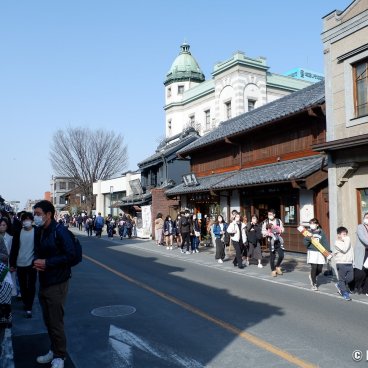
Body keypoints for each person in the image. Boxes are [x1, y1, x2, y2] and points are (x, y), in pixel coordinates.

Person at [33, 200, 75, 368]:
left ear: (48, 214)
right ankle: (54, 349)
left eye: (38, 214)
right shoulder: (40, 231)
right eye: (34, 214)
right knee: (48, 320)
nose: (35, 217)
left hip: (57, 282)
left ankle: (60, 355)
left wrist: (47, 263)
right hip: (43, 281)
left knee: (56, 321)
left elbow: (71, 256)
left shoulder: (60, 231)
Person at [9, 212, 37, 318]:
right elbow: (14, 249)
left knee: (31, 285)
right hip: (20, 263)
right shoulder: (18, 232)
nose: (26, 221)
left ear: (32, 220)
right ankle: (26, 302)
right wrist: (12, 263)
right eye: (24, 220)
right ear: (21, 221)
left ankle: (29, 306)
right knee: (23, 286)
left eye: (29, 219)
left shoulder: (36, 231)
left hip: (32, 264)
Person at [303, 218, 331, 291]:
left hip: (320, 252)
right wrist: (308, 238)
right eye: (310, 223)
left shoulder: (321, 232)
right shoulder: (307, 232)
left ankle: (312, 276)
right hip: (312, 252)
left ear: (317, 224)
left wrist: (329, 251)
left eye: (313, 223)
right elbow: (305, 244)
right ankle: (314, 284)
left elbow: (325, 242)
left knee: (319, 269)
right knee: (314, 267)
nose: (312, 225)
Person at [262, 209, 285, 277]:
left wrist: (281, 230)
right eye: (269, 214)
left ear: (274, 215)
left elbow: (282, 228)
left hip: (278, 240)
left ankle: (277, 266)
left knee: (281, 255)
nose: (270, 216)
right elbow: (263, 231)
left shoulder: (278, 221)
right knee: (272, 256)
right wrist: (267, 233)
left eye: (271, 214)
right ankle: (273, 270)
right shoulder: (266, 221)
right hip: (271, 241)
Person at [350, 212, 368, 296]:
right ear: (363, 218)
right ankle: (353, 285)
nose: (367, 219)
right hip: (361, 251)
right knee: (359, 271)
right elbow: (363, 238)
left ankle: (362, 288)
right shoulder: (360, 227)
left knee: (365, 271)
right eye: (366, 217)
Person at [334, 226, 353, 301]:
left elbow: (351, 252)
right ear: (338, 235)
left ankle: (340, 285)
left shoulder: (347, 241)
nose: (345, 236)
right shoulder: (337, 243)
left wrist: (352, 261)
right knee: (342, 279)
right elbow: (344, 249)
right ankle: (345, 293)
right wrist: (347, 239)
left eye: (346, 234)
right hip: (341, 263)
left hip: (349, 262)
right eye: (343, 234)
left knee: (350, 278)